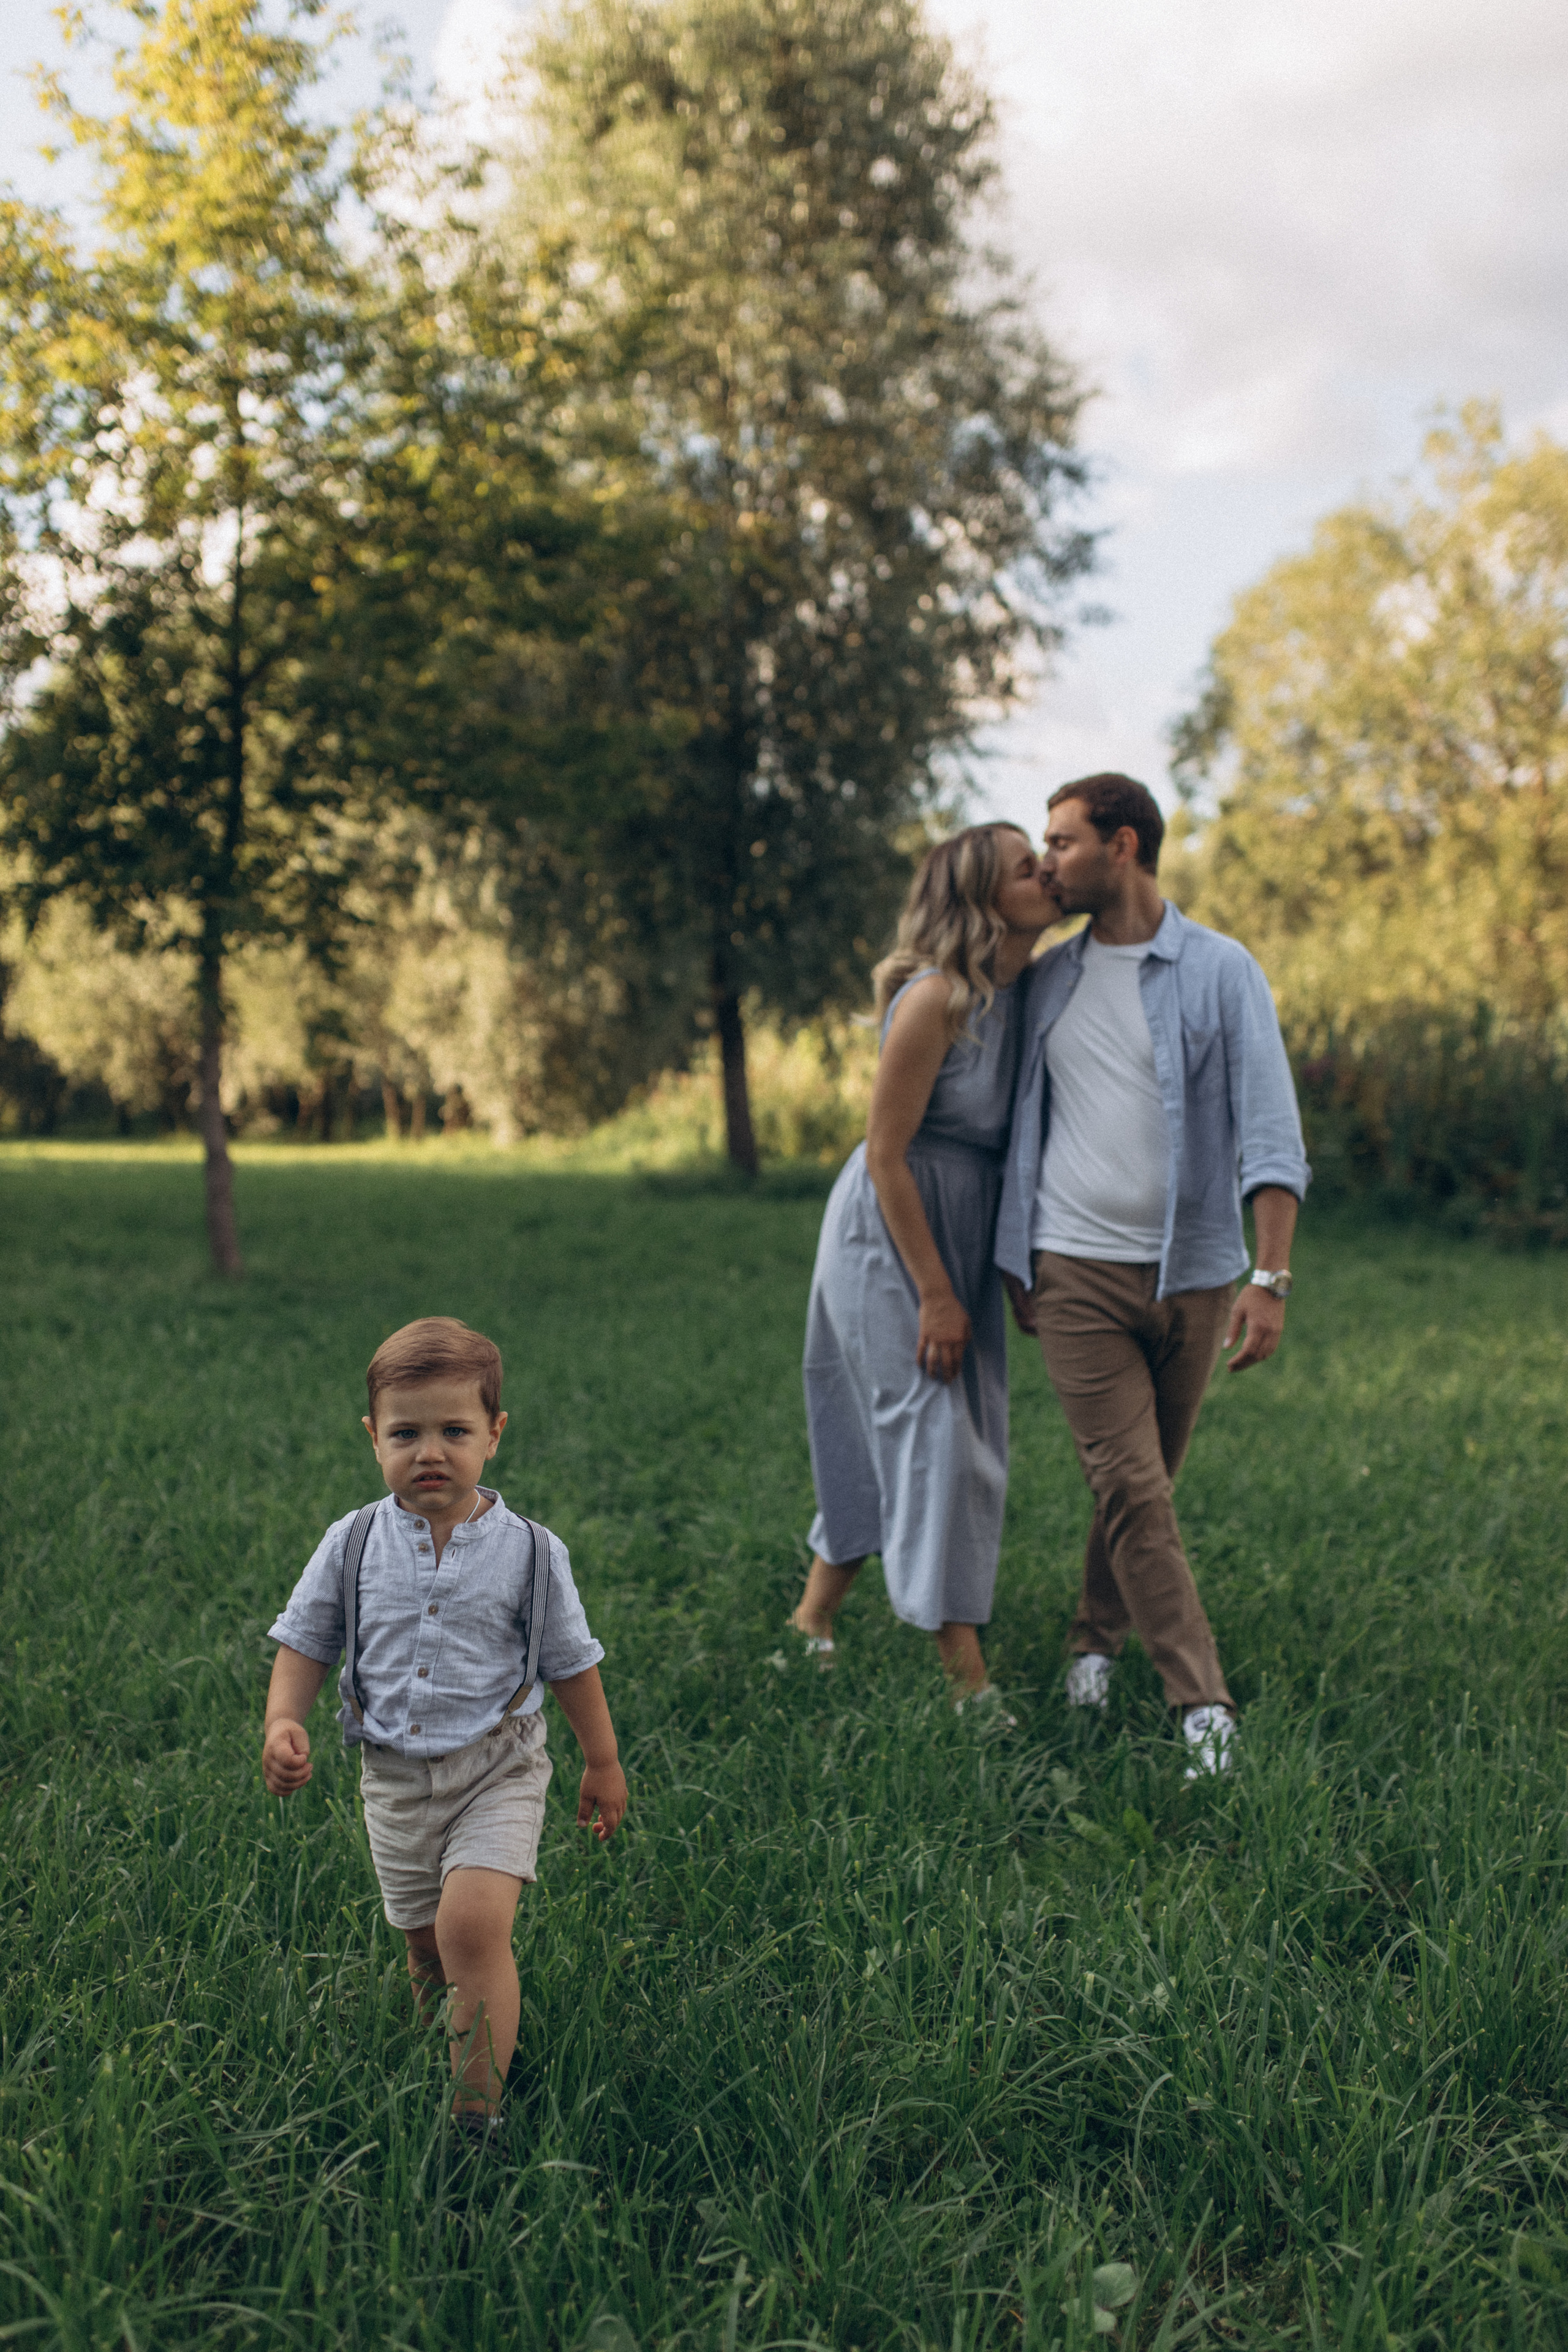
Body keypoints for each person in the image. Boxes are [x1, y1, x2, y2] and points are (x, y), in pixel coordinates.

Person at [996, 774, 1310, 1774]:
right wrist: (1015, 1256)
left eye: (1062, 841)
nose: (1047, 861)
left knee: (1142, 1485)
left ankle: (1093, 1638)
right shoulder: (1046, 980)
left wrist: (1272, 1276)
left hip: (1197, 1275)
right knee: (1133, 1482)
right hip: (1074, 1268)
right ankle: (1201, 1704)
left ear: (1122, 846)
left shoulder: (1221, 971)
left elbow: (1271, 1130)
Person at [261, 1316, 627, 2136]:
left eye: (454, 1431)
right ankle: (440, 2032)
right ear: (373, 1438)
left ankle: (475, 2114)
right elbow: (305, 1640)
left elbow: (571, 1662)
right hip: (392, 1776)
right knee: (425, 1942)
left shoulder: (531, 1552)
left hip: (497, 1767)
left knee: (471, 1927)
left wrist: (600, 1761)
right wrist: (285, 1717)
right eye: (407, 1433)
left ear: (495, 1435)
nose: (430, 1451)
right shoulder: (352, 1542)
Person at [788, 823, 1059, 1698]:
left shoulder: (1033, 993)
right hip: (893, 1231)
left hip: (971, 1227)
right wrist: (938, 1294)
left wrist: (1012, 1261)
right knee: (936, 1433)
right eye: (1028, 867)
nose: (1048, 873)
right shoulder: (935, 998)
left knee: (911, 1434)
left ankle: (811, 1619)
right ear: (984, 899)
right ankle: (968, 1687)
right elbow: (884, 1153)